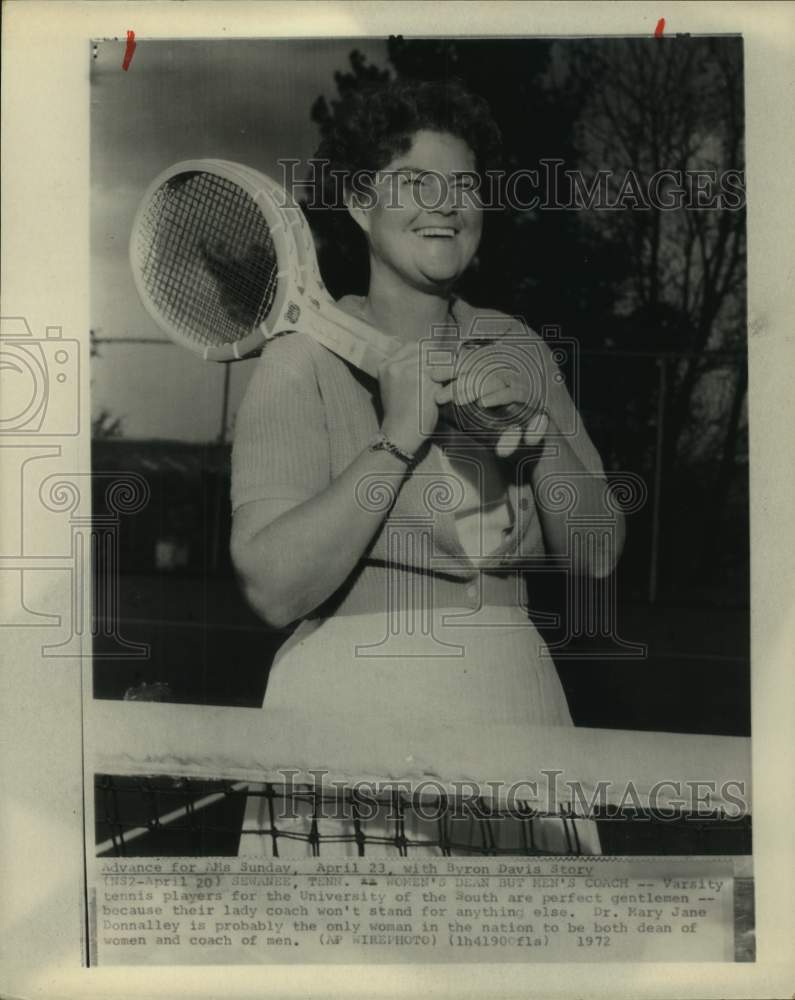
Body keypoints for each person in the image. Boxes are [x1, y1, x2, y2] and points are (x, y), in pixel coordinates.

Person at [229, 78, 624, 857]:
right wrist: (396, 437)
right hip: (349, 708)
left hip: (513, 701)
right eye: (414, 182)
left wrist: (537, 434)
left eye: (465, 186)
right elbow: (273, 586)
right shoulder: (299, 359)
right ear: (356, 204)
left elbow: (597, 552)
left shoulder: (515, 346)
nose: (444, 205)